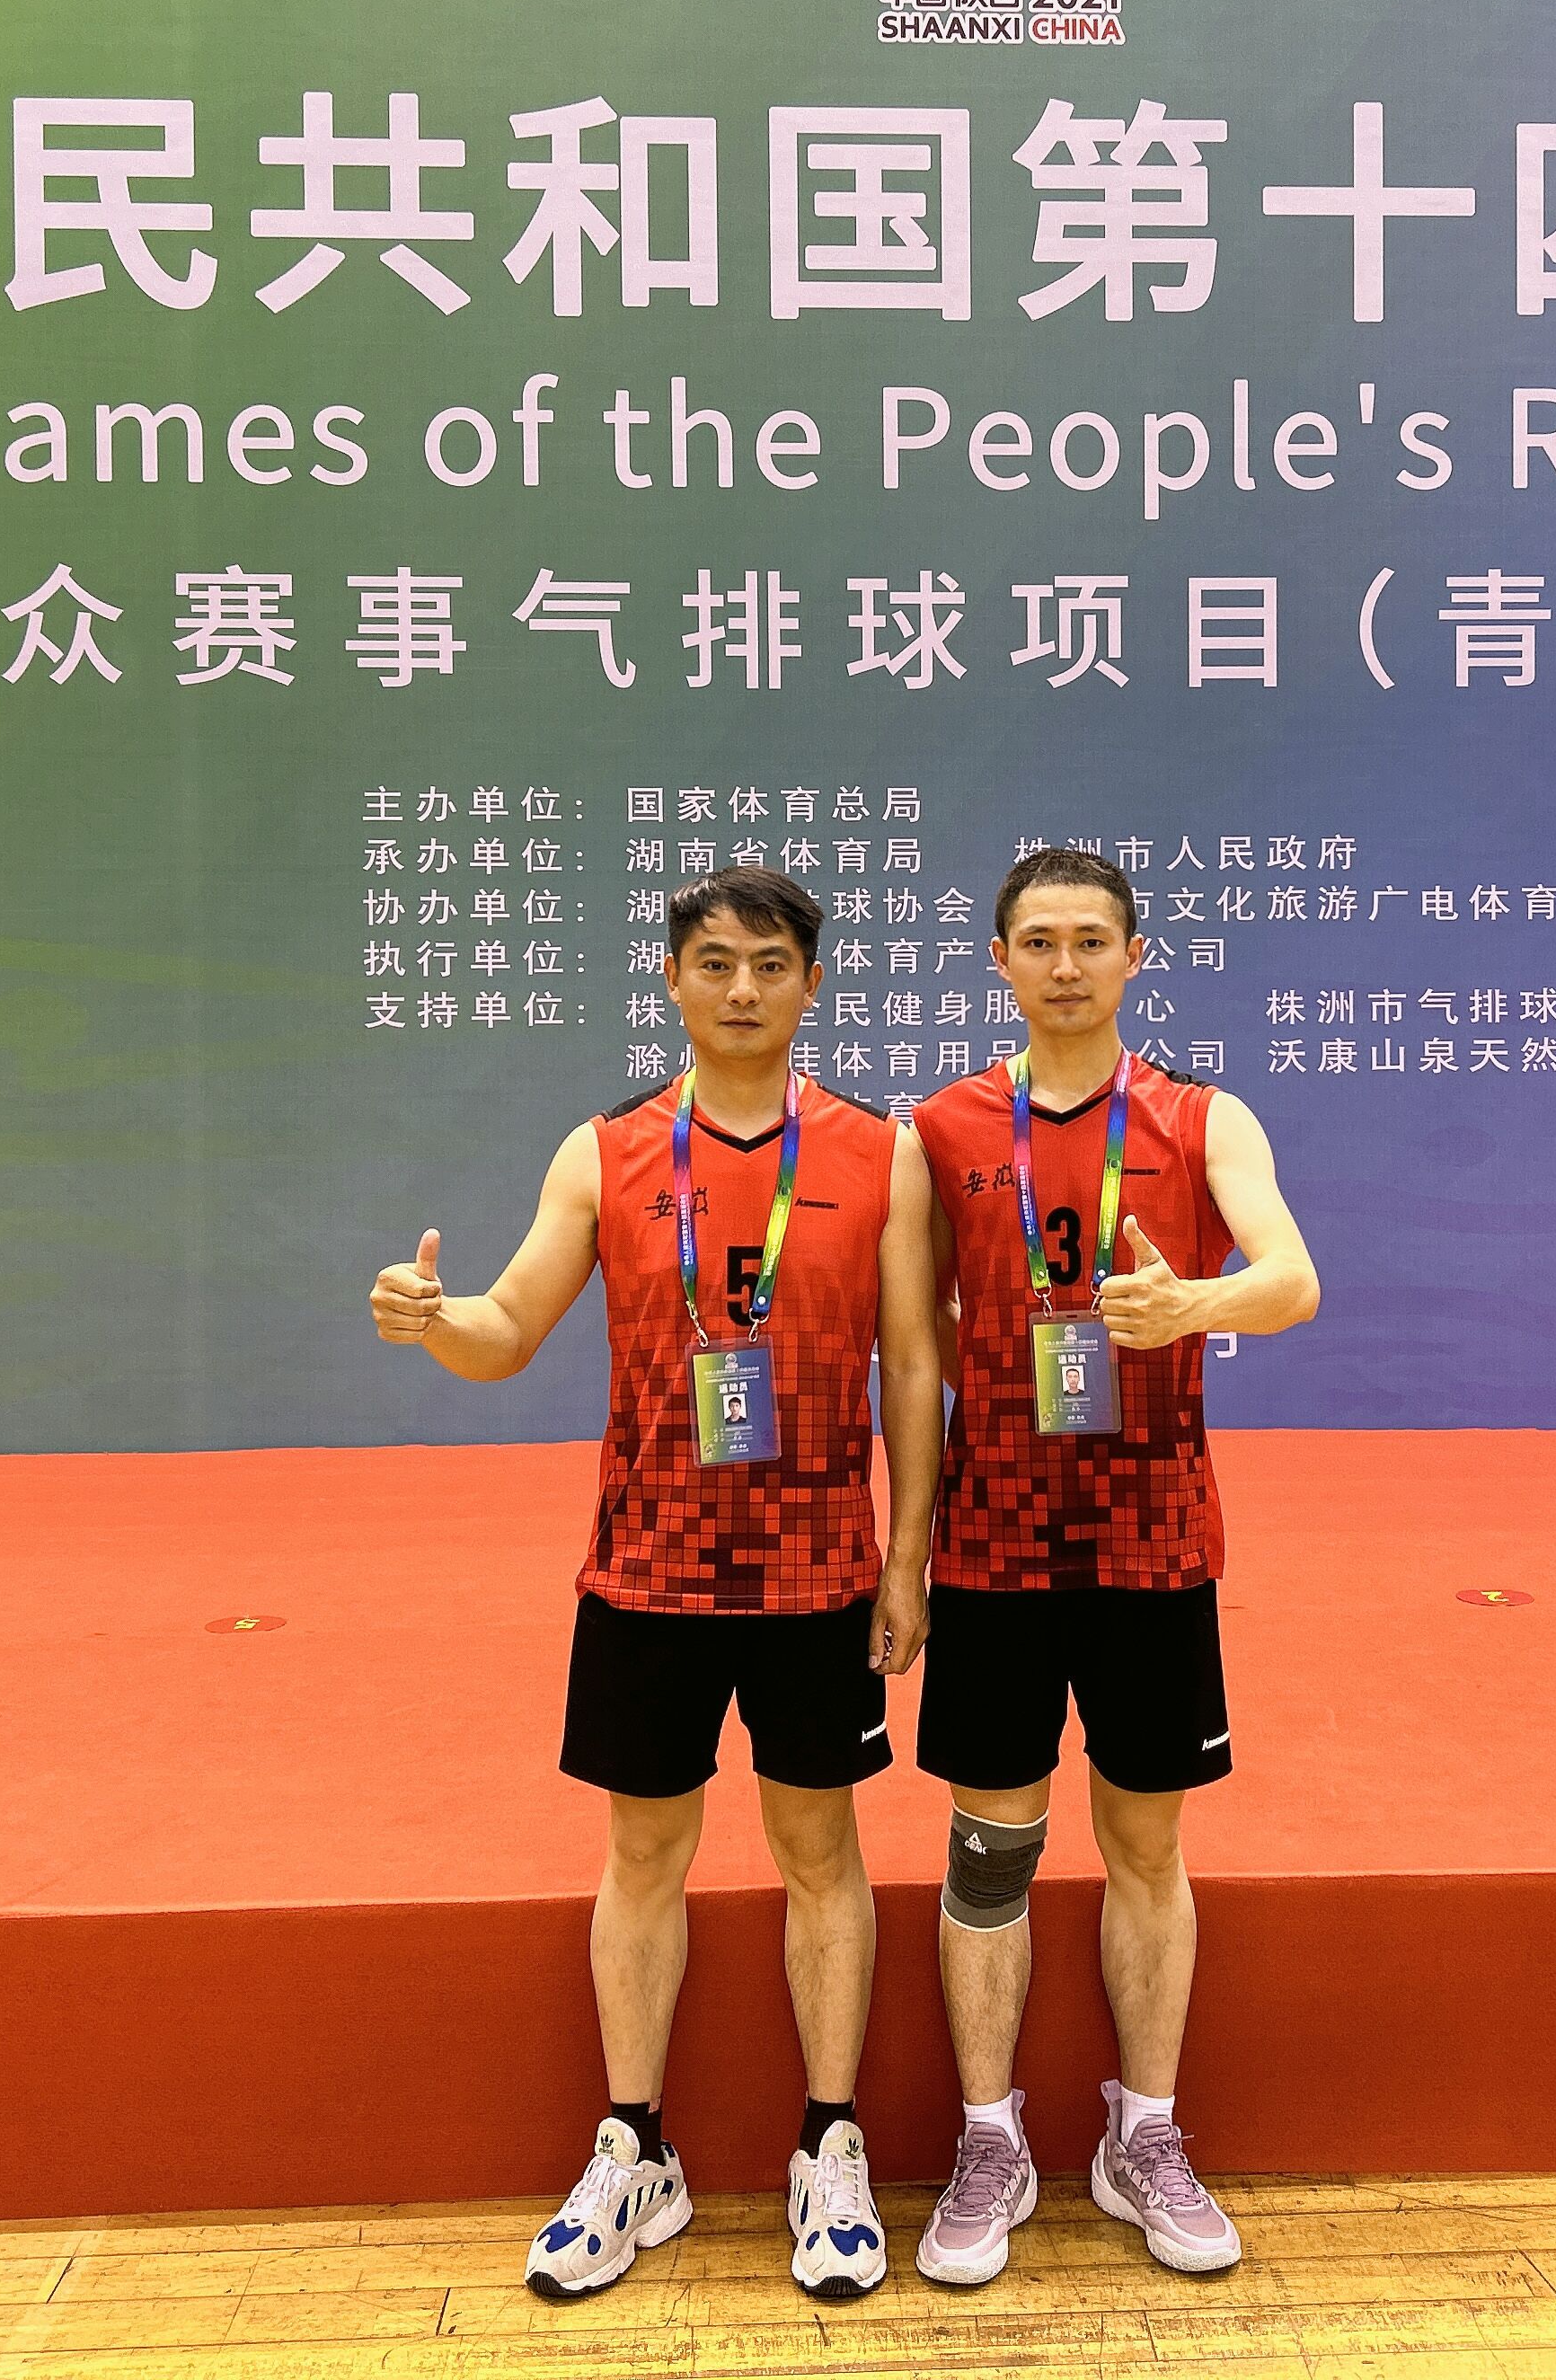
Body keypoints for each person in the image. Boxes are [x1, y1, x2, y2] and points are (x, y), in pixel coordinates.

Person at [371, 867, 938, 2304]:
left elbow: (915, 1368)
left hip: (818, 1578)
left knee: (822, 1853)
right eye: (714, 962)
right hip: (646, 1574)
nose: (742, 988)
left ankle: (829, 2147)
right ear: (672, 980)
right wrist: (434, 1322)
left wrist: (909, 1555)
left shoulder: (880, 1153)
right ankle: (635, 2148)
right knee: (643, 1858)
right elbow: (507, 1327)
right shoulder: (607, 1153)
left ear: (812, 985)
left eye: (769, 964)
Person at [905, 847, 1321, 2286]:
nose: (1067, 964)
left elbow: (1292, 1279)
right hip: (994, 1548)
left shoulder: (1204, 1119)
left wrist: (1188, 1305)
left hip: (1154, 1544)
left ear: (1136, 957)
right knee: (989, 1851)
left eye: (1093, 939)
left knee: (1148, 1847)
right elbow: (913, 1333)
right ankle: (988, 2138)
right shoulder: (944, 1129)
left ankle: (1145, 2135)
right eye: (1040, 941)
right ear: (1000, 962)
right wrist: (906, 1553)